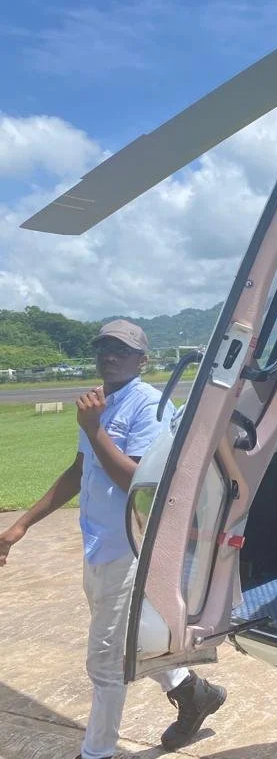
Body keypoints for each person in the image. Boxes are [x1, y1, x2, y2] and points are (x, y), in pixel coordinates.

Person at [0, 320, 227, 759]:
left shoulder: (149, 406)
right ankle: (193, 693)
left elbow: (137, 483)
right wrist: (22, 524)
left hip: (131, 548)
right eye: (103, 347)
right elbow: (79, 470)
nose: (109, 356)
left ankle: (97, 752)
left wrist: (94, 428)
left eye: (121, 350)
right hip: (98, 544)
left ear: (142, 360)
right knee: (127, 638)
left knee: (105, 662)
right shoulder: (100, 402)